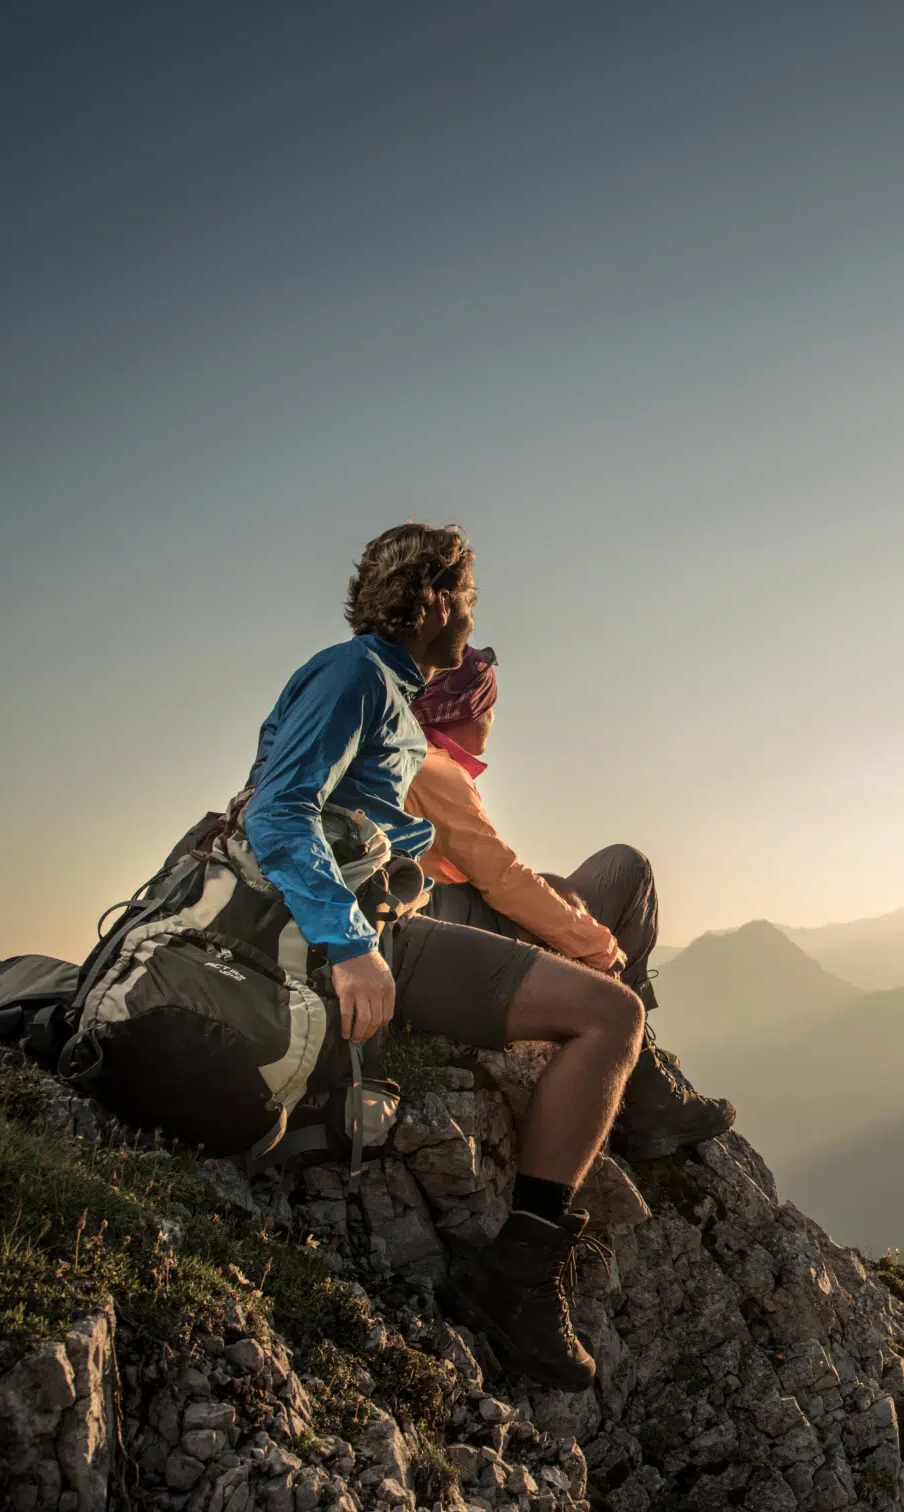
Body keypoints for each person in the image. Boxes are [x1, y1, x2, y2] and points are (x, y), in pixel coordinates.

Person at [240, 523, 626, 1391]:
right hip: (368, 935)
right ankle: (519, 1275)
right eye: (472, 601)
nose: (474, 622)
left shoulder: (373, 683)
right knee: (613, 1015)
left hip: (375, 918)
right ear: (441, 601)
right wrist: (349, 946)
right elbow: (277, 810)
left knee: (596, 999)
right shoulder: (358, 676)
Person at [402, 643, 734, 1159]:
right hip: (443, 938)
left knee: (556, 882)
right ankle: (642, 1080)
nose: (493, 717)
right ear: (471, 710)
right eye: (489, 706)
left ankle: (638, 1065)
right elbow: (503, 880)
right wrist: (595, 943)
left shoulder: (402, 757)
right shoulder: (435, 771)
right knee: (628, 866)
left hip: (430, 926)